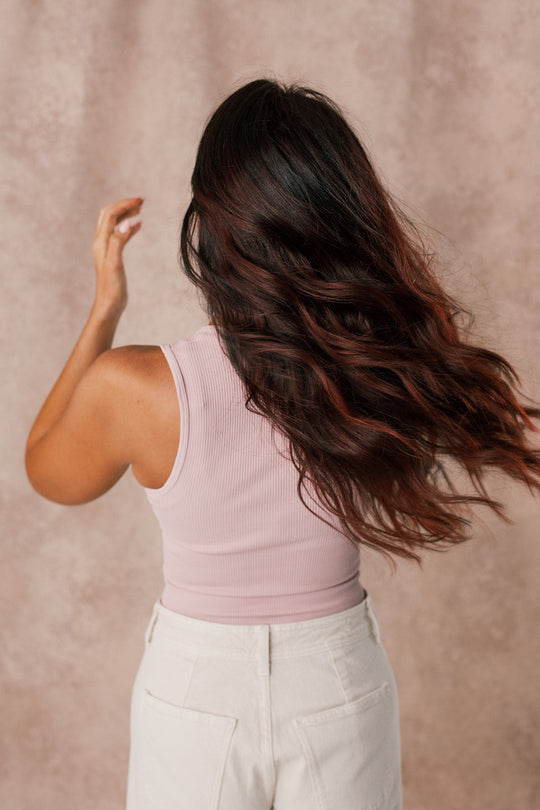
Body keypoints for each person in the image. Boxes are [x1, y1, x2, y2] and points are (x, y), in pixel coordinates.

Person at [25, 78, 540, 810]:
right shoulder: (375, 373)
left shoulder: (137, 387)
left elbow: (47, 469)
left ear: (212, 223)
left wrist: (104, 310)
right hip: (336, 676)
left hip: (195, 688)